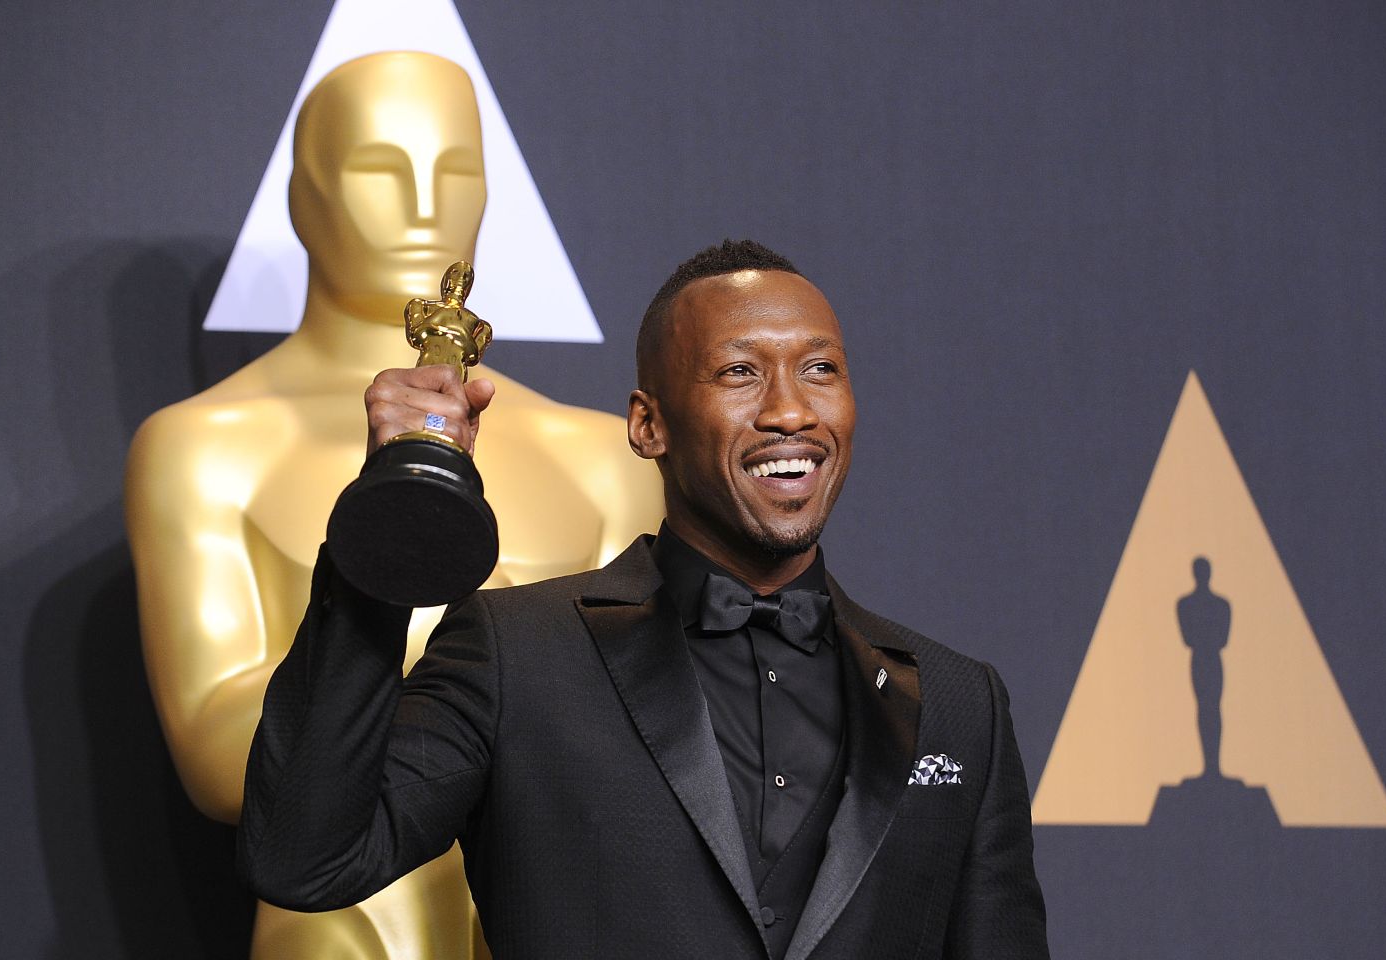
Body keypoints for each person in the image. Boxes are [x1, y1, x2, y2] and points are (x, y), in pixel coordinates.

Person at [239, 240, 1049, 959]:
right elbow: (305, 857)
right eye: (739, 372)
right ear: (647, 425)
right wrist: (389, 530)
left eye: (819, 369)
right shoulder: (517, 652)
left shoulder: (955, 701)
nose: (790, 410)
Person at [125, 52, 661, 958]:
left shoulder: (603, 457)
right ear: (304, 197)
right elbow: (222, 763)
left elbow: (657, 740)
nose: (425, 207)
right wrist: (461, 640)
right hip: (343, 924)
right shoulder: (204, 448)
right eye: (379, 169)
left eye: (457, 173)